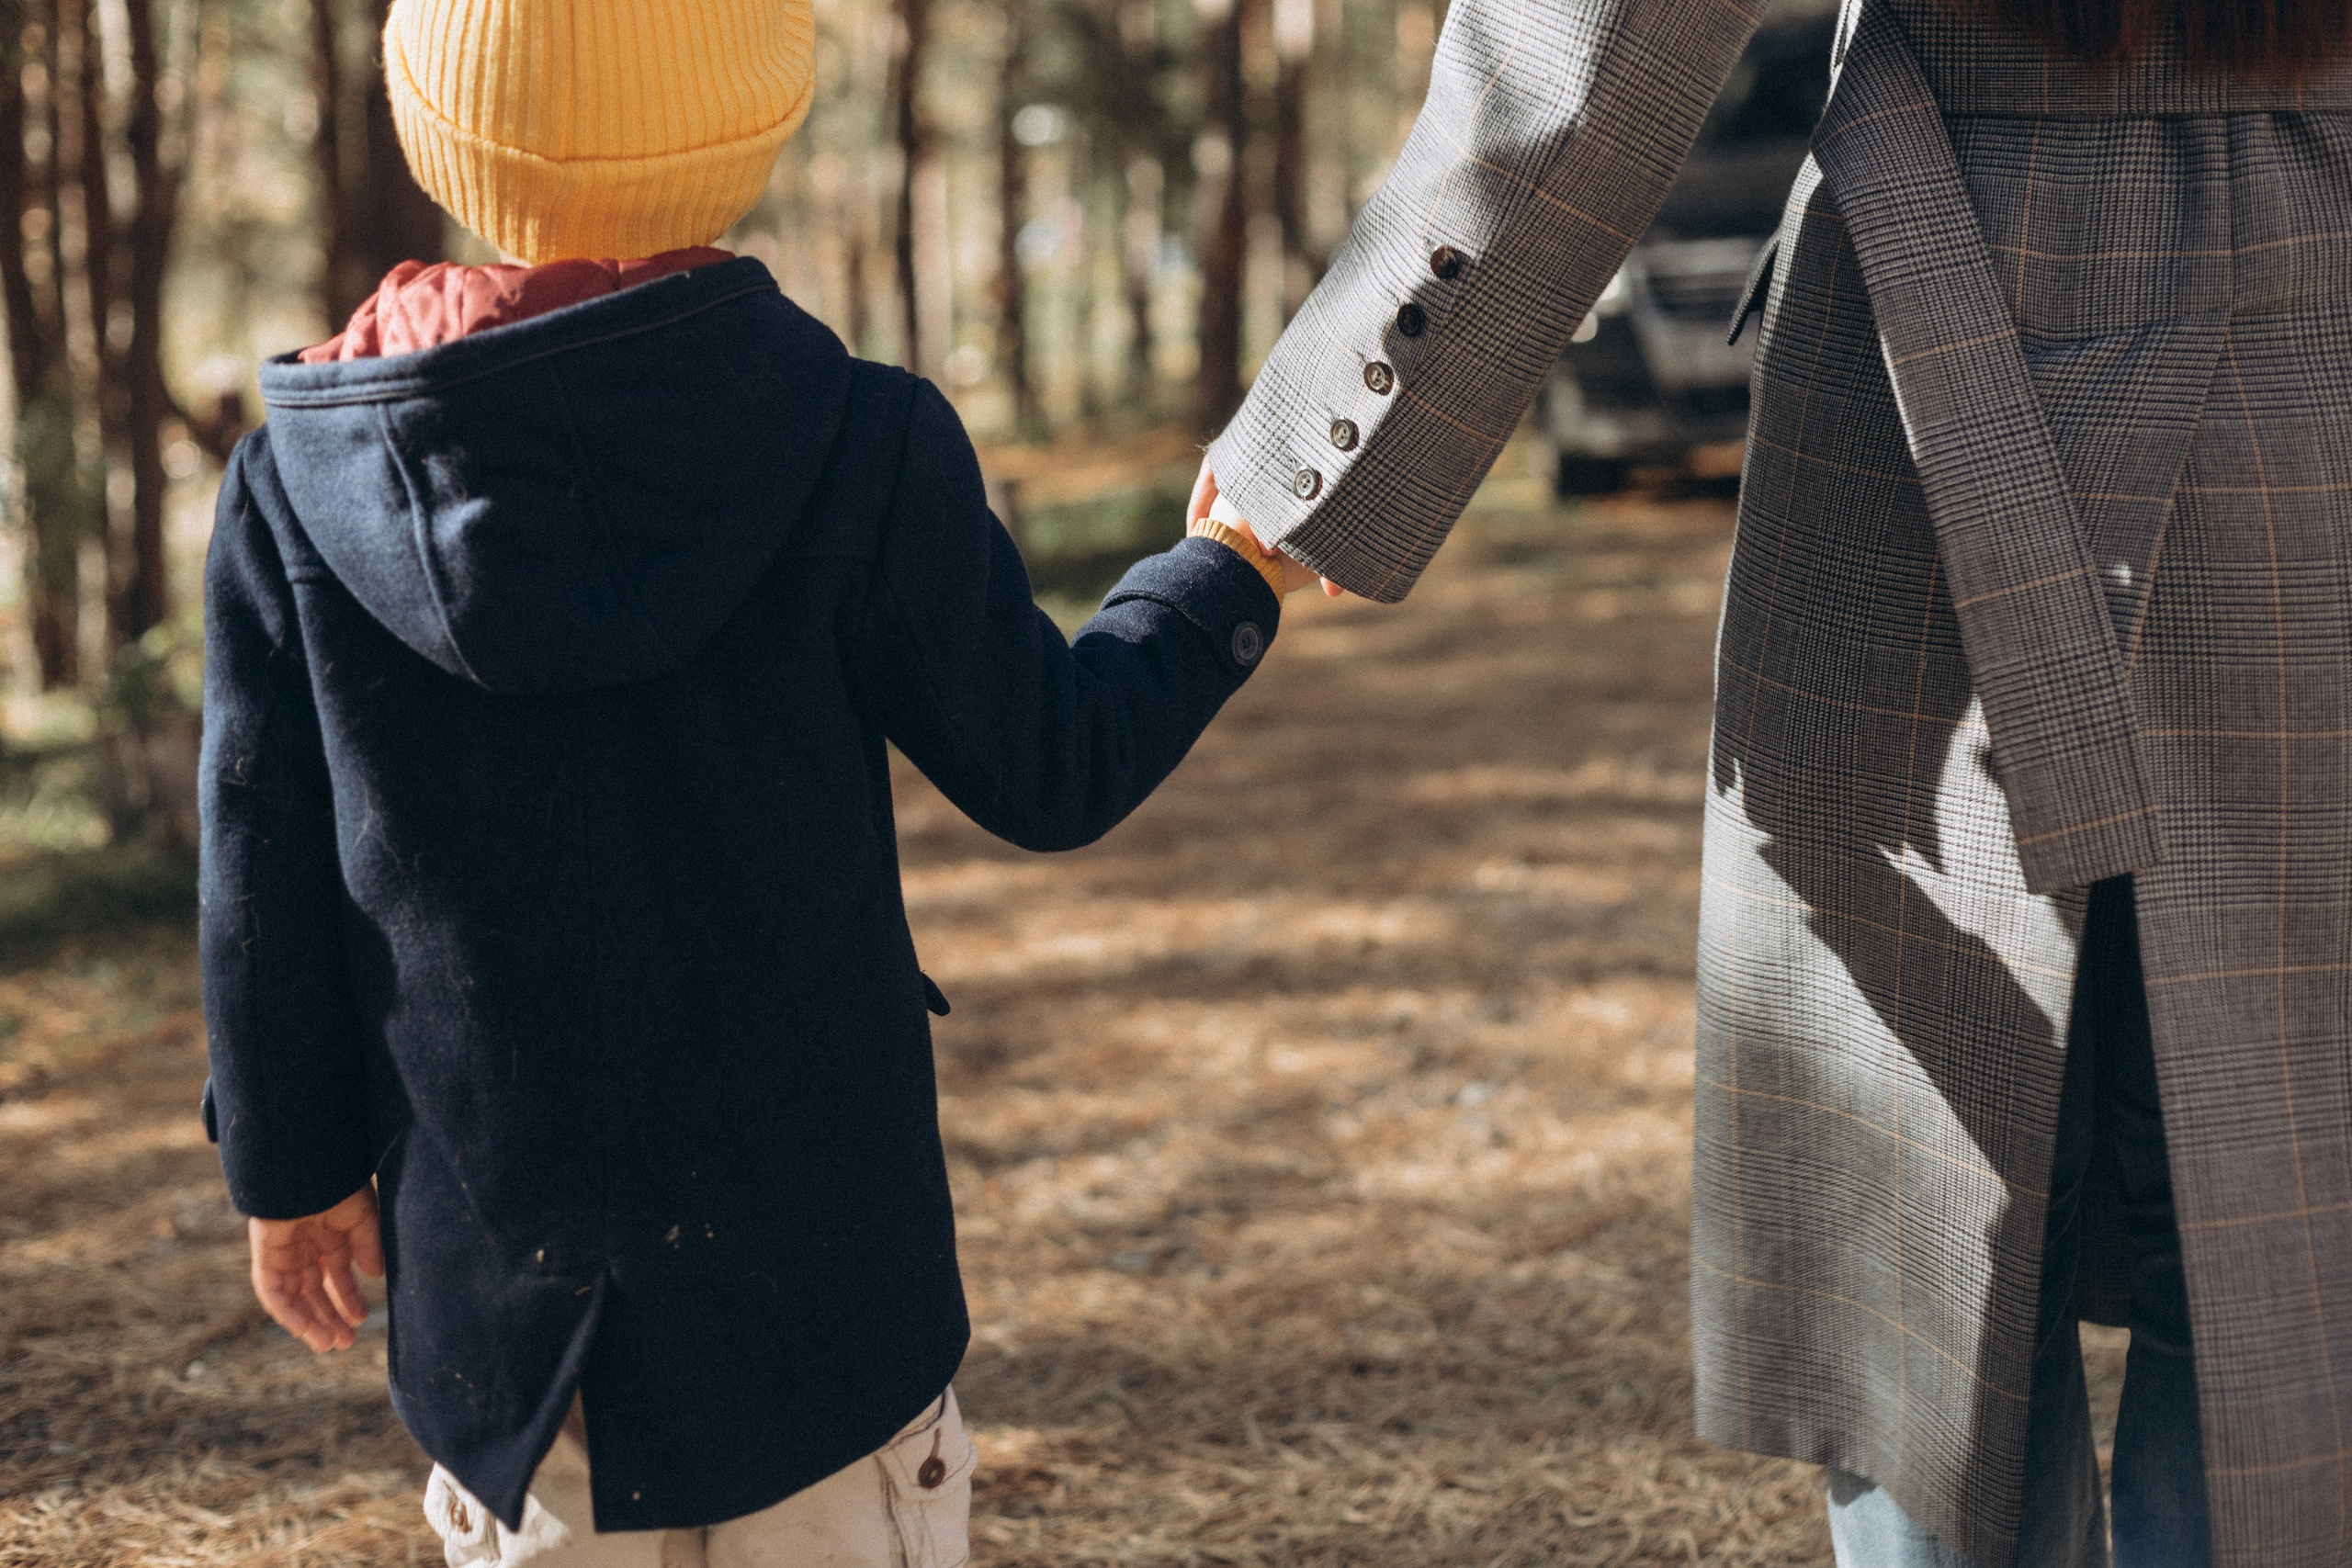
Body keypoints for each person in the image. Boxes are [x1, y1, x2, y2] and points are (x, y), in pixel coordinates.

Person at [1193, 0, 2352, 1562]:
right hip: (2312, 334)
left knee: (1920, 1253)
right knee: (2290, 1241)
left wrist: (1324, 427)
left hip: (1948, 323)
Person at [198, 2, 1305, 1564]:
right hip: (823, 1304)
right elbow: (1058, 763)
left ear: (432, 119)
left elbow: (260, 877)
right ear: (752, 123)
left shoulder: (291, 484)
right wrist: (1223, 571)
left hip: (510, 1331)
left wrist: (291, 1171)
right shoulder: (860, 440)